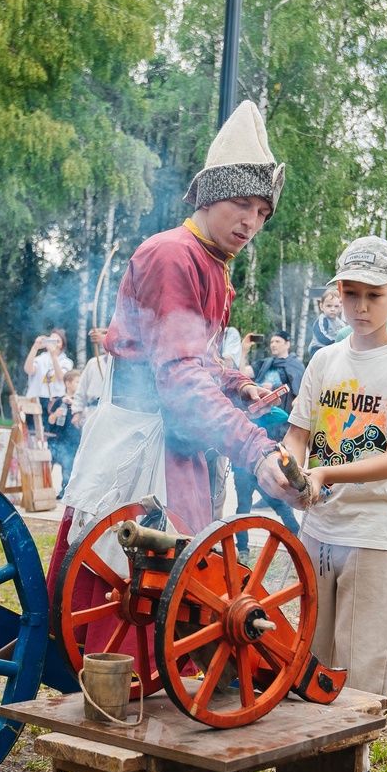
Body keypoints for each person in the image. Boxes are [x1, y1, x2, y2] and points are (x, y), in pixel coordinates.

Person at [61, 99, 297, 539]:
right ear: (210, 195)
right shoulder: (172, 255)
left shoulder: (214, 261)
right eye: (242, 203)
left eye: (263, 212)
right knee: (133, 591)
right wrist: (254, 447)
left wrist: (237, 386)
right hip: (143, 445)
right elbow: (179, 375)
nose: (252, 222)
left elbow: (197, 360)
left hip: (177, 445)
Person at [284, 236, 387, 772]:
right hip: (317, 531)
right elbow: (299, 432)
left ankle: (353, 766)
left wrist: (328, 476)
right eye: (350, 294)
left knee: (363, 656)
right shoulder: (324, 359)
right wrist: (289, 468)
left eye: (373, 295)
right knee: (311, 651)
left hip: (374, 535)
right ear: (336, 294)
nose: (360, 307)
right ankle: (310, 754)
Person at [233, 331, 303, 555]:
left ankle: (299, 542)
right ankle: (242, 548)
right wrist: (244, 351)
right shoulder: (266, 363)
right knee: (243, 505)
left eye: (277, 341)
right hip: (245, 458)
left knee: (279, 501)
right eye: (270, 341)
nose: (273, 344)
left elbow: (298, 401)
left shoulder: (294, 367)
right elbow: (240, 376)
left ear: (287, 343)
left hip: (271, 450)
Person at [47, 370, 83, 498]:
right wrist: (56, 414)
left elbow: (85, 417)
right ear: (68, 384)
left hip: (72, 440)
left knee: (67, 467)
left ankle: (65, 493)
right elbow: (50, 420)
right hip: (57, 439)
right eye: (77, 381)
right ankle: (46, 490)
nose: (80, 384)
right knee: (48, 465)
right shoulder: (59, 401)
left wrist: (72, 403)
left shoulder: (80, 402)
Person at [24, 329, 73, 400]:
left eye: (57, 341)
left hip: (56, 399)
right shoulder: (40, 359)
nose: (54, 344)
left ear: (62, 344)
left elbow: (61, 377)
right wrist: (35, 348)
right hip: (36, 398)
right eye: (52, 341)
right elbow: (28, 370)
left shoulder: (67, 362)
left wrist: (54, 357)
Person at [73, 328, 110, 416]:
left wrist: (104, 338)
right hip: (93, 410)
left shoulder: (123, 364)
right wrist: (77, 412)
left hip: (113, 412)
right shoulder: (93, 363)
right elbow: (82, 388)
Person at [308, 288, 346, 358]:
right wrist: (336, 343)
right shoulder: (322, 320)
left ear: (341, 308)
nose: (332, 309)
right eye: (329, 306)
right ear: (321, 306)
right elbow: (322, 337)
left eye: (336, 306)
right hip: (318, 348)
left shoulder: (341, 323)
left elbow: (345, 334)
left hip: (333, 348)